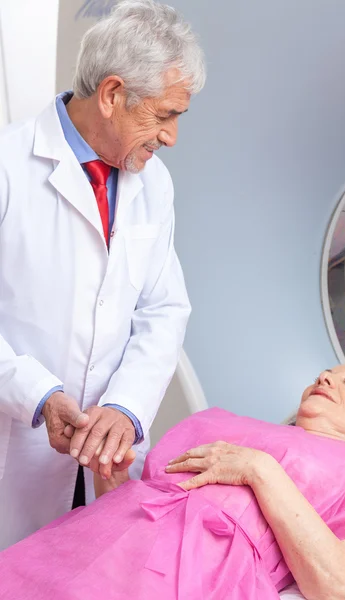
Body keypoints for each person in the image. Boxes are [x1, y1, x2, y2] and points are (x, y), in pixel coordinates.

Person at [0, 0, 206, 550]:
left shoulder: (153, 185)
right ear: (113, 95)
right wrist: (38, 395)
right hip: (13, 445)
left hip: (102, 452)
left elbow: (163, 309)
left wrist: (126, 406)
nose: (172, 137)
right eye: (164, 115)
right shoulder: (8, 168)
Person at [1, 356, 345, 600]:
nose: (325, 379)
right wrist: (114, 470)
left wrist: (259, 470)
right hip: (91, 545)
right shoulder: (226, 422)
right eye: (324, 373)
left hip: (198, 580)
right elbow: (140, 504)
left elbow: (342, 582)